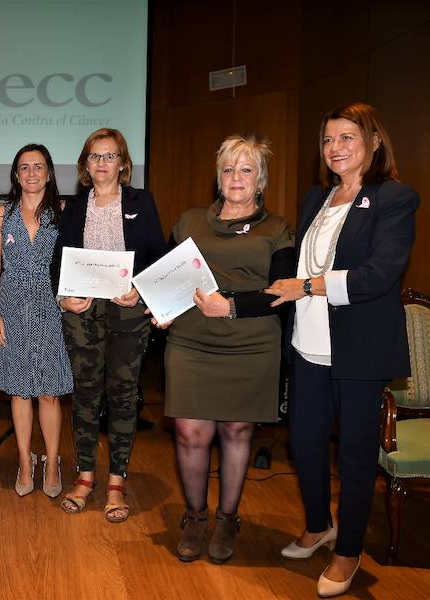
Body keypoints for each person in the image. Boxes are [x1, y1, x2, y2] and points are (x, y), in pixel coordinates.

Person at [266, 103, 418, 597]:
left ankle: (348, 550)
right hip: (308, 343)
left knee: (353, 455)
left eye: (347, 138)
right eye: (329, 139)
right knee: (305, 443)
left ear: (373, 142)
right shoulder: (317, 197)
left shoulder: (394, 198)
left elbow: (379, 275)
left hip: (359, 349)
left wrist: (306, 286)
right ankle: (318, 524)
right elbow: (299, 257)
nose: (336, 148)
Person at [154, 135, 294, 564]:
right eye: (229, 170)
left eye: (246, 170)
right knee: (190, 432)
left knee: (236, 432)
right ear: (219, 177)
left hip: (252, 343)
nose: (237, 177)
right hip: (192, 341)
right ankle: (195, 518)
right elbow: (165, 276)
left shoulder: (278, 228)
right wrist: (157, 306)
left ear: (260, 180)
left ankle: (228, 518)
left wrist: (229, 306)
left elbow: (281, 293)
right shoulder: (190, 220)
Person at [50, 128, 165, 521]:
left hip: (128, 311)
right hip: (83, 312)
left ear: (123, 163)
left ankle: (116, 480)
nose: (101, 163)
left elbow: (155, 256)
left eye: (109, 156)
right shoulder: (74, 206)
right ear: (86, 164)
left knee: (122, 395)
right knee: (85, 394)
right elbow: (58, 260)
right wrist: (62, 296)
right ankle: (84, 476)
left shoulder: (141, 202)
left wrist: (140, 290)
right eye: (94, 157)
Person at [0, 144, 73, 498]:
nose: (32, 173)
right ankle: (25, 460)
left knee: (49, 394)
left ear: (49, 173)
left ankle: (52, 462)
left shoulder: (65, 214)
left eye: (39, 167)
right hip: (11, 307)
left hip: (52, 308)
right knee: (20, 391)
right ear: (16, 174)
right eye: (25, 167)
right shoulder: (0, 215)